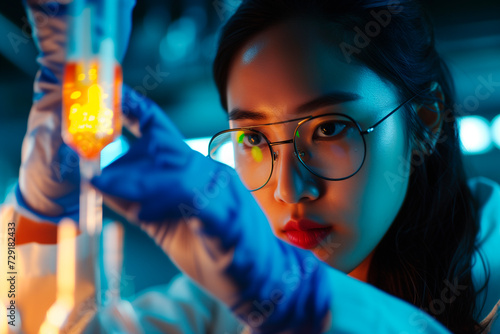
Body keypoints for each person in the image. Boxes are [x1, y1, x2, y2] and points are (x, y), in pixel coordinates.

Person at [10, 0, 499, 333]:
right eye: (253, 138)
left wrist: (296, 300)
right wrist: (42, 211)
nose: (288, 188)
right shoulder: (218, 303)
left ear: (427, 120)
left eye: (329, 129)